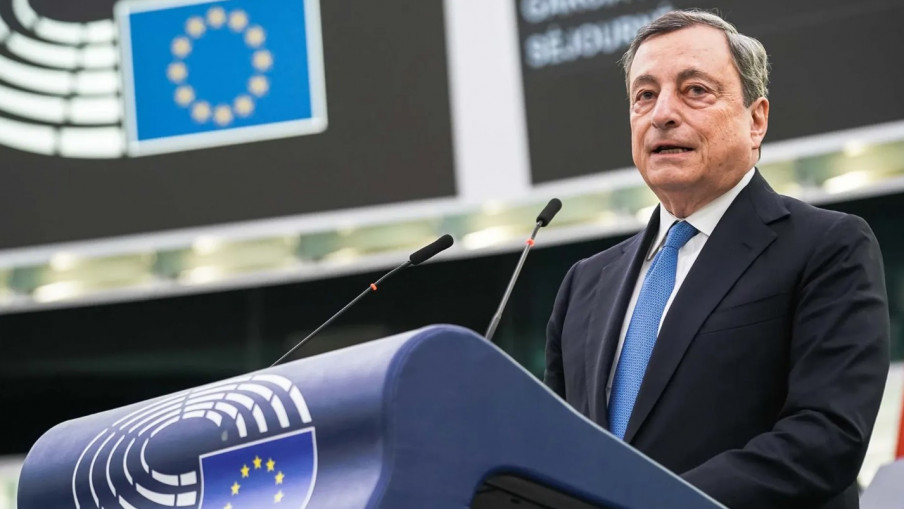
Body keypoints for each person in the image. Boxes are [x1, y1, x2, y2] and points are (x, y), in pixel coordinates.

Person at [544, 9, 889, 509]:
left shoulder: (827, 246)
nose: (662, 113)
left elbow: (826, 437)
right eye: (645, 95)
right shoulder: (584, 284)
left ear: (756, 120)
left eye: (695, 90)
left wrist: (655, 502)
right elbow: (557, 449)